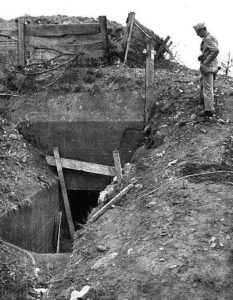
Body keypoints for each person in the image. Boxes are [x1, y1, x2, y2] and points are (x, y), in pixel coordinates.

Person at [193, 23, 219, 120]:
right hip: (212, 66)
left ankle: (208, 111)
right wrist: (203, 56)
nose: (197, 35)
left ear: (202, 30)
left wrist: (206, 62)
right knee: (206, 86)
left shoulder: (208, 38)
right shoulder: (211, 37)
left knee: (208, 89)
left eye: (198, 32)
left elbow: (215, 51)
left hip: (208, 67)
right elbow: (210, 51)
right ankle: (207, 106)